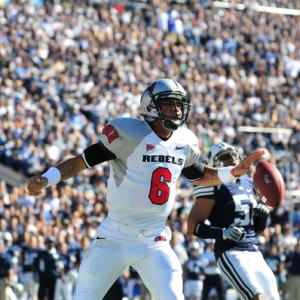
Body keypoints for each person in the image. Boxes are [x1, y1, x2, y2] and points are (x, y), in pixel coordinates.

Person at [27, 79, 264, 300]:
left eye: (179, 105)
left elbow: (202, 176)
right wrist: (46, 179)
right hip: (115, 235)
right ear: (151, 106)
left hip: (155, 238)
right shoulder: (127, 133)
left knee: (172, 295)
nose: (177, 110)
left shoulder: (184, 141)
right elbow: (80, 161)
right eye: (170, 104)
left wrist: (234, 172)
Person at [187, 142, 279, 300]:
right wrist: (223, 233)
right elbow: (192, 226)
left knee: (273, 297)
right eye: (225, 157)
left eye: (234, 154)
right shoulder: (211, 186)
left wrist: (263, 216)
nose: (232, 158)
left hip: (253, 250)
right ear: (213, 163)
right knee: (255, 296)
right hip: (230, 252)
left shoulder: (249, 183)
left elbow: (256, 229)